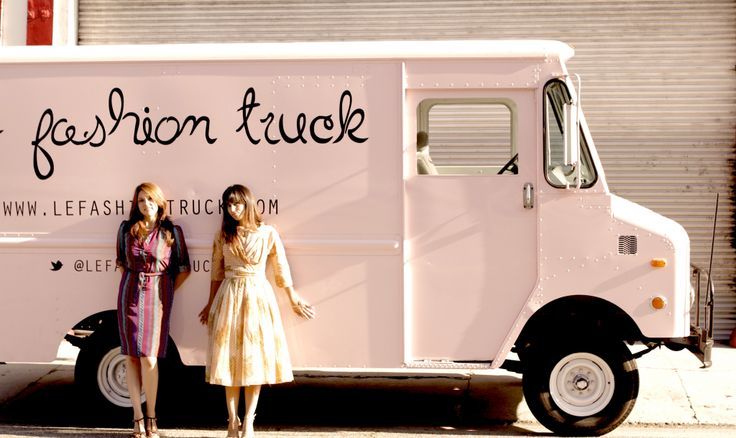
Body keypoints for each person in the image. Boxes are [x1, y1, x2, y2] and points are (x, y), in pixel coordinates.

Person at [199, 184, 315, 438]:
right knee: (228, 361)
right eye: (229, 205)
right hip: (229, 296)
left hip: (257, 296)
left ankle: (249, 421)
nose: (233, 209)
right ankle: (231, 421)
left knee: (254, 362)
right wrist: (210, 304)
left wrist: (292, 298)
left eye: (237, 203)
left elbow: (280, 267)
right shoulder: (223, 235)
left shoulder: (267, 233)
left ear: (248, 204)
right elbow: (216, 273)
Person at [116, 182, 191, 438]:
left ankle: (152, 415)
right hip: (129, 294)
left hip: (158, 296)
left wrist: (165, 291)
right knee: (131, 357)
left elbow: (183, 268)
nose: (145, 205)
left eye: (150, 199)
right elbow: (121, 262)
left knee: (149, 358)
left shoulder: (171, 231)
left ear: (159, 202)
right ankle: (137, 417)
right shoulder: (126, 229)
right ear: (135, 205)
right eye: (140, 201)